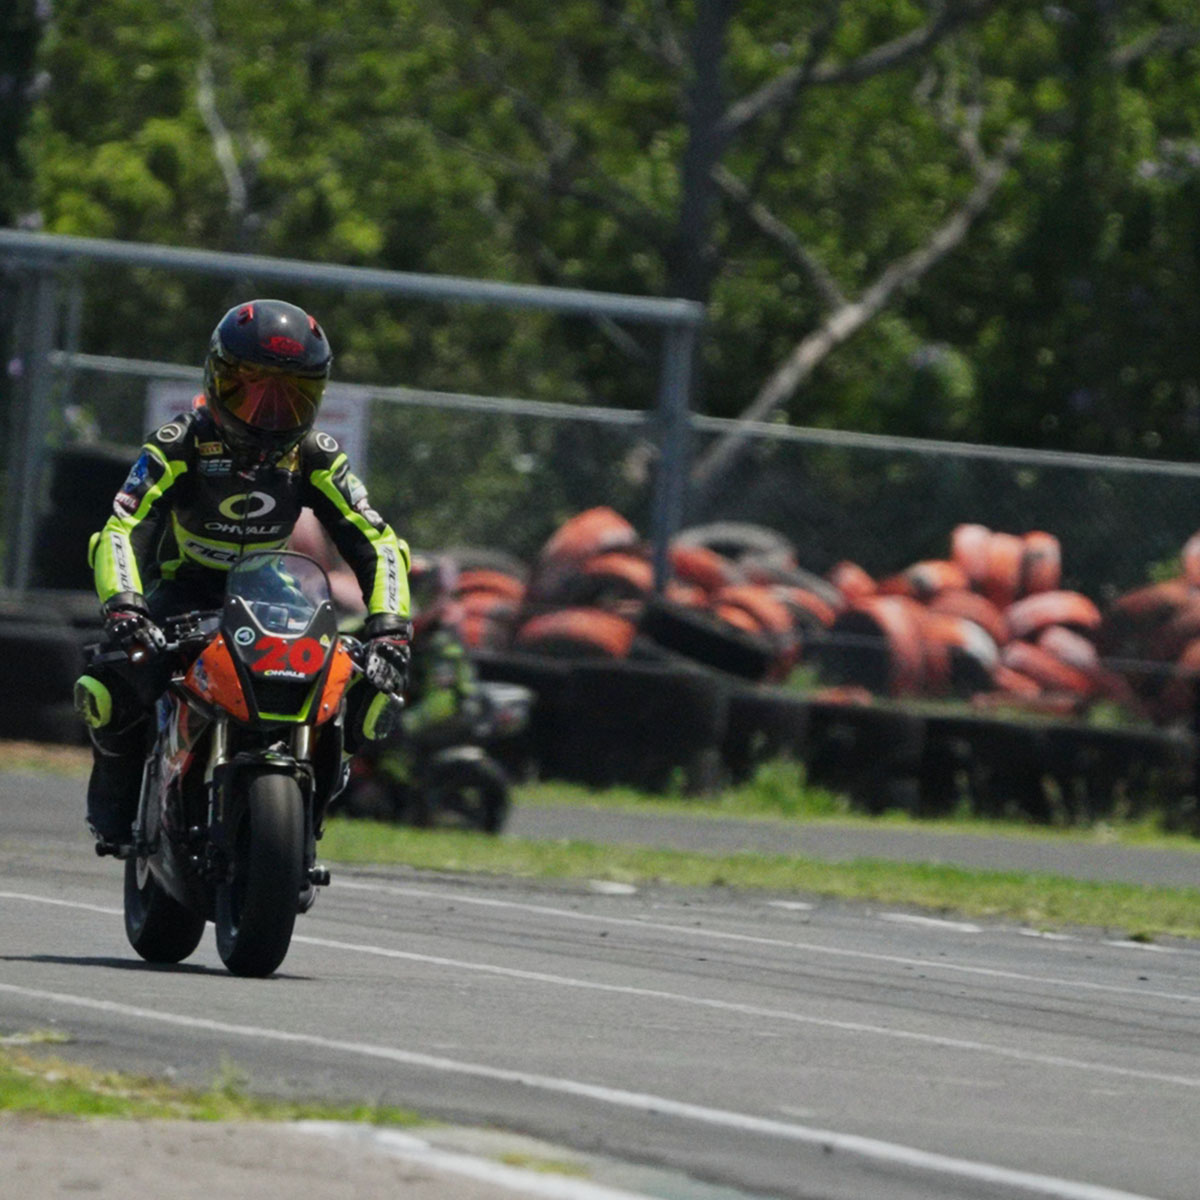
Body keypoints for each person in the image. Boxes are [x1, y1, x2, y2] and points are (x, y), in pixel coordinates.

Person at [74, 298, 412, 850]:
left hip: (270, 591)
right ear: (215, 377)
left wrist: (391, 627)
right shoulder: (177, 444)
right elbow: (122, 528)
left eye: (290, 396)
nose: (268, 414)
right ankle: (117, 799)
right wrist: (125, 607)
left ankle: (313, 800)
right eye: (250, 389)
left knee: (368, 684)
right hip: (184, 592)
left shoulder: (315, 457)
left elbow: (376, 539)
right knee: (112, 681)